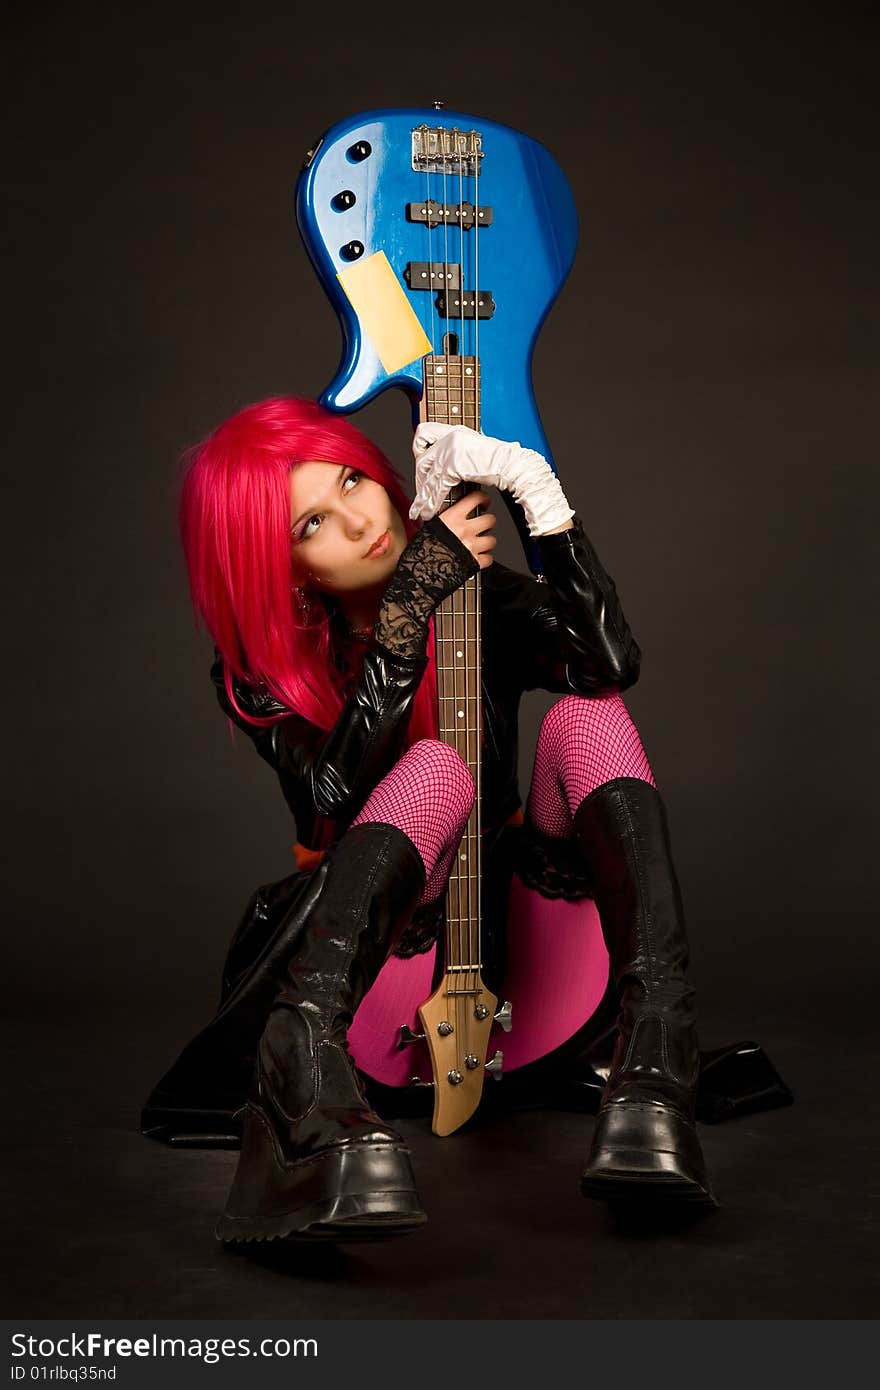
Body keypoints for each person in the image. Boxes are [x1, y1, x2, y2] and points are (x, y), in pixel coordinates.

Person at [144, 394, 716, 1244]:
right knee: (435, 769)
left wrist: (539, 500)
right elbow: (329, 796)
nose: (359, 518)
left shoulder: (476, 594)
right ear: (282, 566)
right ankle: (301, 1068)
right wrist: (408, 611)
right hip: (385, 987)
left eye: (351, 480)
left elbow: (608, 665)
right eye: (313, 523)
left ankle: (655, 1069)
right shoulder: (255, 672)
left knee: (586, 716)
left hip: (535, 977)